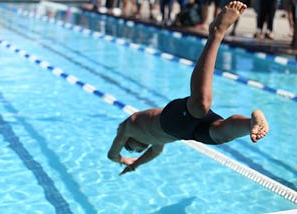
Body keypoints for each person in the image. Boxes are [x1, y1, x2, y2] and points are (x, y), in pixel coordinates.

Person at [108, 1, 269, 175]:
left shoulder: (128, 127)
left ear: (129, 140)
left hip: (171, 119)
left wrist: (123, 159)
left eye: (133, 149)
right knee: (220, 133)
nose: (138, 150)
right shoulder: (155, 141)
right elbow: (154, 152)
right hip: (185, 131)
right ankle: (251, 123)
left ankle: (216, 33)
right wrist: (135, 165)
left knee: (200, 105)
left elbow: (112, 155)